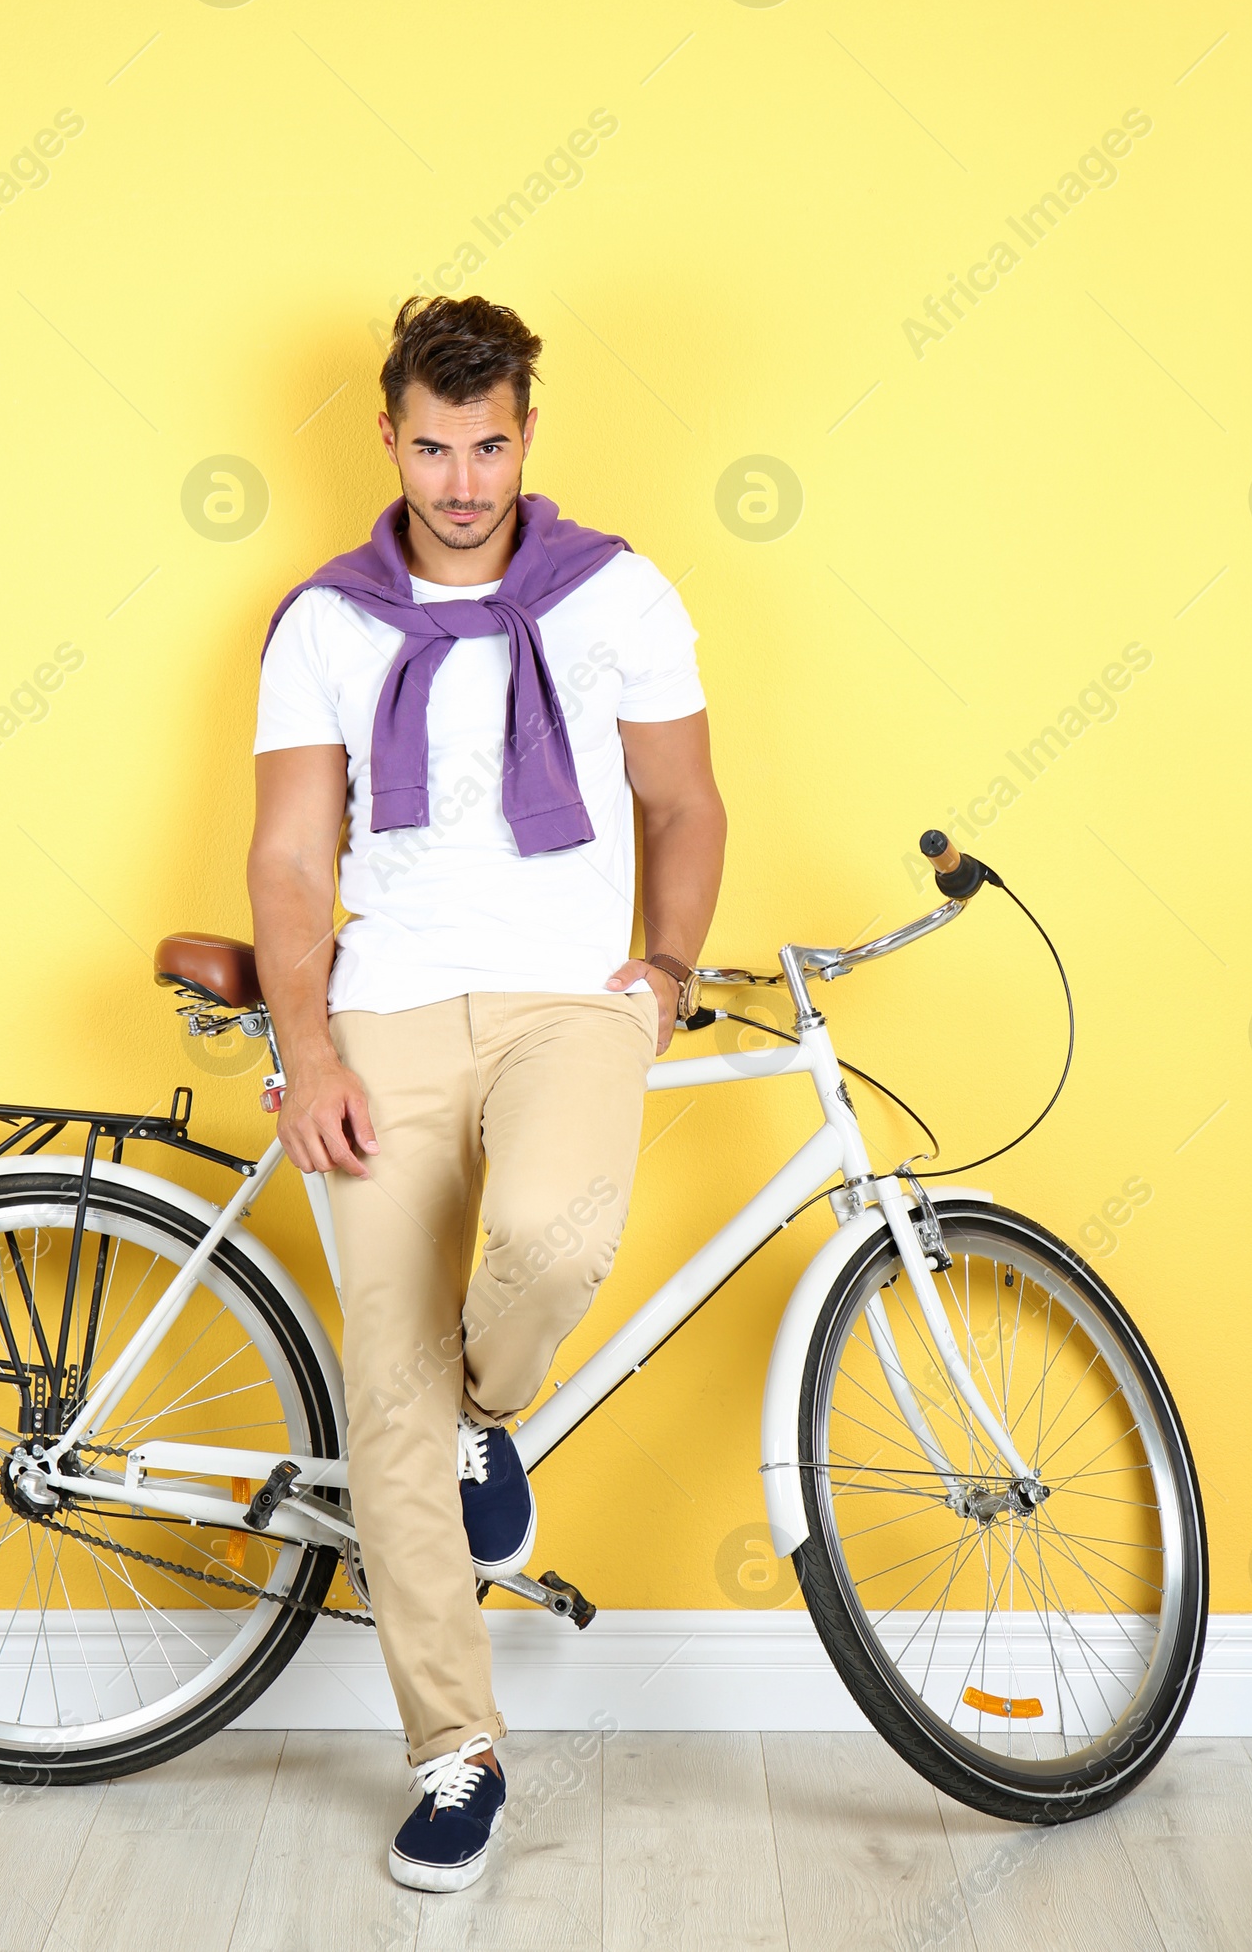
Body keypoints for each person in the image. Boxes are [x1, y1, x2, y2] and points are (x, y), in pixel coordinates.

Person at [247, 294, 725, 1891]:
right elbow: (295, 852)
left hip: (565, 999)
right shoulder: (325, 622)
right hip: (383, 1007)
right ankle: (457, 1753)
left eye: (491, 443)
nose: (462, 479)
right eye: (434, 447)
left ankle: (489, 1411)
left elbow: (684, 799)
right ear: (388, 439)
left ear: (530, 434)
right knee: (383, 1396)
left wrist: (664, 972)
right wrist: (307, 1050)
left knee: (557, 1239)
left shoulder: (618, 595)